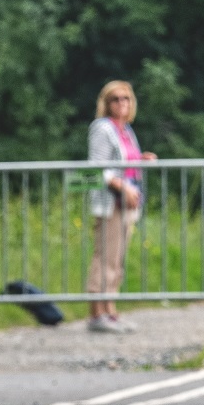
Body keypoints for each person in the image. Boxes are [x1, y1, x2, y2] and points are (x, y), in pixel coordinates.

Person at [85, 80, 155, 333]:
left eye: (125, 98)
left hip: (127, 202)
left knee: (117, 259)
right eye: (115, 98)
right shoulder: (103, 128)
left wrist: (140, 159)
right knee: (105, 257)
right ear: (106, 103)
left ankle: (111, 310)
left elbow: (123, 160)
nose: (121, 103)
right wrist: (122, 186)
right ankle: (96, 313)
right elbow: (98, 168)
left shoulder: (125, 129)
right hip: (110, 201)